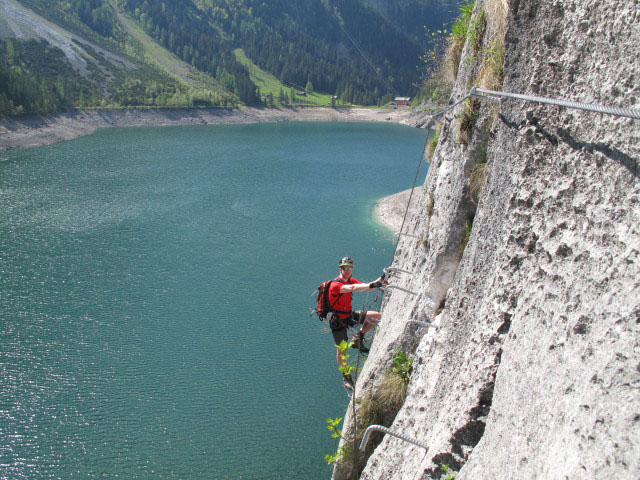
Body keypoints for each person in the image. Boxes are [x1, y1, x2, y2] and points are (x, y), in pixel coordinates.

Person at [327, 256, 385, 391]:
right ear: (340, 269)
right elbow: (353, 287)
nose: (348, 271)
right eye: (345, 268)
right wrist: (370, 285)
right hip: (337, 320)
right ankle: (345, 375)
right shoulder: (335, 285)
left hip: (348, 315)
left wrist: (380, 280)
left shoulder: (350, 280)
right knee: (342, 349)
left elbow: (364, 287)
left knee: (377, 317)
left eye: (350, 268)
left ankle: (358, 338)